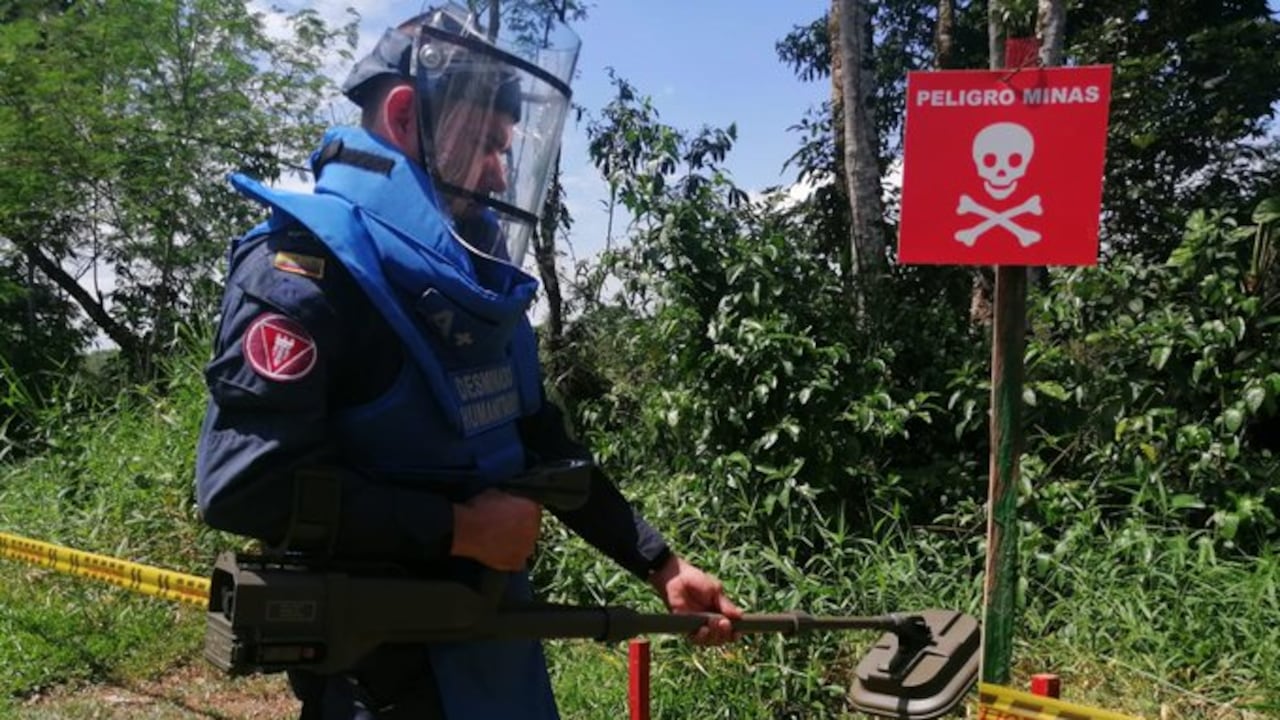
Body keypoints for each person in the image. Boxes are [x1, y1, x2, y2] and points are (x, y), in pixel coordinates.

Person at [193, 4, 740, 719]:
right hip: (376, 679)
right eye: (484, 141)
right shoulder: (305, 273)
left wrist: (659, 562)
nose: (498, 168)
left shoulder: (479, 287)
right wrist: (459, 530)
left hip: (494, 646)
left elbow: (541, 443)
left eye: (507, 147)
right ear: (401, 118)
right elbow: (244, 485)